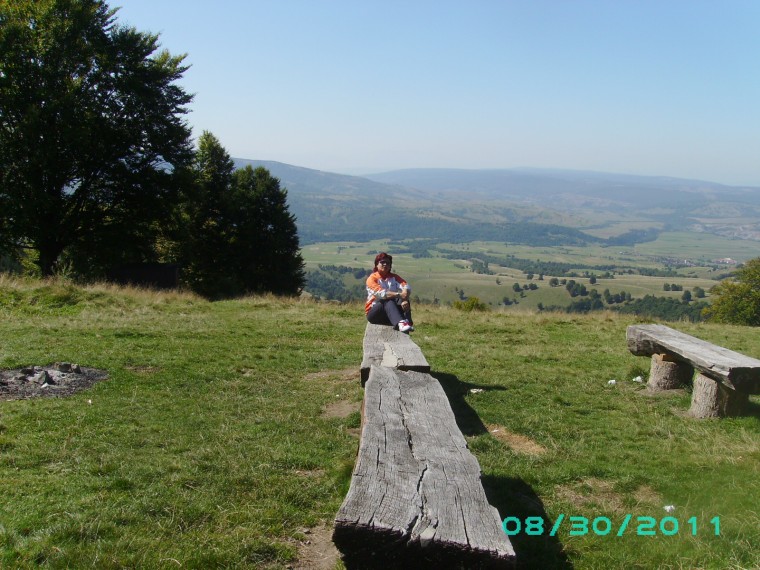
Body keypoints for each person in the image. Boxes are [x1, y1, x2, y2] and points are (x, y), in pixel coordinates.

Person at [365, 252, 414, 333]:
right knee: (388, 299)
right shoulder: (372, 279)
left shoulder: (394, 277)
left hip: (389, 313)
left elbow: (406, 287)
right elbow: (382, 294)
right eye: (382, 262)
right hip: (374, 314)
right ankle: (400, 323)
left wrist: (404, 299)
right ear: (377, 264)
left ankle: (407, 321)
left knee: (403, 299)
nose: (385, 264)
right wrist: (399, 295)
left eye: (388, 263)